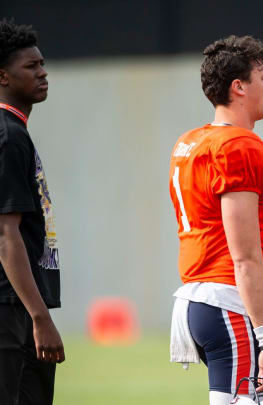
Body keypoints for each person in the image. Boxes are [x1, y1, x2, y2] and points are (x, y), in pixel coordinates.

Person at [168, 35, 263, 405]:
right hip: (228, 302)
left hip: (195, 298)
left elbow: (221, 202)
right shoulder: (241, 146)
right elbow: (245, 256)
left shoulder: (191, 141)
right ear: (239, 87)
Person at [0, 19, 65, 404]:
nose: (43, 74)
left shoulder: (15, 130)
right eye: (31, 67)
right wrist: (40, 318)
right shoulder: (9, 136)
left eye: (42, 65)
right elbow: (7, 235)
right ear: (3, 76)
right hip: (11, 310)